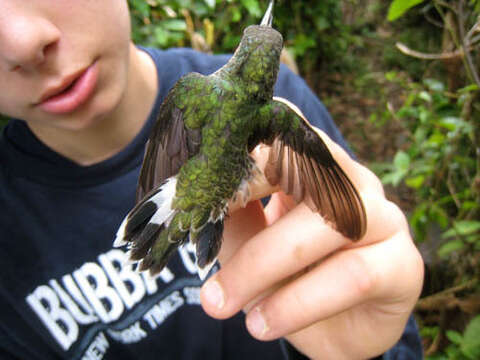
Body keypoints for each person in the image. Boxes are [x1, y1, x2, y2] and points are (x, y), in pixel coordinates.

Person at [0, 1, 425, 359]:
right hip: (211, 189)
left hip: (196, 192)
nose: (24, 41)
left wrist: (359, 350)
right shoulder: (274, 114)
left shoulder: (207, 93)